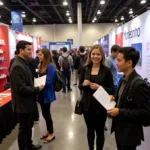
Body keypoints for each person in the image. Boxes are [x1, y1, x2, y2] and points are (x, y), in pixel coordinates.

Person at [107, 47, 150, 150]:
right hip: (120, 130)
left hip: (129, 135)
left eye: (119, 60)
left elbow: (145, 114)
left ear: (129, 62)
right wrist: (115, 99)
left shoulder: (139, 85)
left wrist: (120, 112)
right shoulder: (123, 79)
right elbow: (124, 100)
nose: (116, 63)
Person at [10, 40, 43, 150]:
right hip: (23, 105)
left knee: (29, 127)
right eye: (28, 49)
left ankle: (29, 145)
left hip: (29, 102)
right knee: (24, 130)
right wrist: (37, 88)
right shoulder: (17, 66)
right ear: (21, 50)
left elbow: (27, 81)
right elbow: (21, 88)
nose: (30, 52)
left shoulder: (24, 63)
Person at [79, 44, 114, 150]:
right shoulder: (85, 68)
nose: (95, 56)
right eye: (93, 54)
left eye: (98, 54)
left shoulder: (106, 70)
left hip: (100, 106)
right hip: (87, 106)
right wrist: (83, 85)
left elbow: (111, 89)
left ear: (102, 55)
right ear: (90, 55)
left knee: (100, 131)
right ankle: (90, 148)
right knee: (90, 130)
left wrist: (100, 87)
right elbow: (80, 86)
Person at [38, 49, 56, 143]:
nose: (38, 56)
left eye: (40, 55)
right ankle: (48, 130)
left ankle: (51, 133)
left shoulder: (50, 67)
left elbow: (49, 81)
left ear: (45, 55)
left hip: (46, 93)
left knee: (46, 114)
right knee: (45, 113)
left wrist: (38, 83)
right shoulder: (41, 65)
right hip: (41, 93)